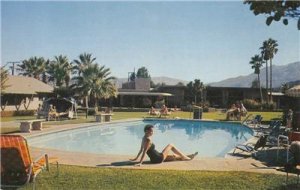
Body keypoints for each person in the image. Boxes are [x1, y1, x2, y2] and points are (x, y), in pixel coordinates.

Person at [130, 125, 198, 166]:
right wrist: (140, 163)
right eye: (151, 131)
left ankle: (189, 155)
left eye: (152, 131)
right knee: (170, 145)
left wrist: (136, 158)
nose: (152, 132)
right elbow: (144, 151)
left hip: (154, 159)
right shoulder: (148, 140)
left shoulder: (143, 138)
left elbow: (141, 150)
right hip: (158, 158)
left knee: (174, 157)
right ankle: (185, 157)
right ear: (146, 131)